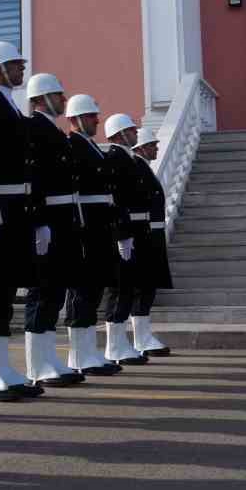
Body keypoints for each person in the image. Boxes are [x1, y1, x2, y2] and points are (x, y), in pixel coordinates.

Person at [0, 42, 50, 401]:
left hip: (16, 207)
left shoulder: (11, 107)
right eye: (16, 64)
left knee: (4, 292)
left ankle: (1, 368)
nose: (22, 69)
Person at [19, 72, 87, 386]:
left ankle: (49, 358)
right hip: (48, 217)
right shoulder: (33, 128)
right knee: (42, 291)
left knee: (55, 292)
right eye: (58, 95)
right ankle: (37, 365)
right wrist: (39, 221)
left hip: (63, 218)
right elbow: (33, 178)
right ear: (42, 98)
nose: (63, 99)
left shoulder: (54, 131)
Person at [63, 94, 130, 376]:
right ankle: (79, 355)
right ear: (76, 119)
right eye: (91, 116)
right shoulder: (72, 145)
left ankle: (89, 352)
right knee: (82, 291)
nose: (97, 120)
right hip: (85, 226)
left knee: (94, 290)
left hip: (99, 225)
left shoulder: (91, 147)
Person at [99, 113, 150, 367]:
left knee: (127, 288)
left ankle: (120, 344)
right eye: (131, 130)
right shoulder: (114, 159)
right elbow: (115, 200)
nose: (136, 133)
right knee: (120, 288)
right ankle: (114, 346)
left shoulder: (127, 158)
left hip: (132, 229)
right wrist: (121, 234)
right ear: (120, 134)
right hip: (122, 231)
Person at [127, 127, 174, 357]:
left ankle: (143, 336)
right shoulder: (136, 168)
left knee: (148, 288)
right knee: (143, 288)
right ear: (142, 148)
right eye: (152, 145)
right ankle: (140, 338)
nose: (156, 148)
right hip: (143, 235)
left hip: (151, 233)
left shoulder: (144, 167)